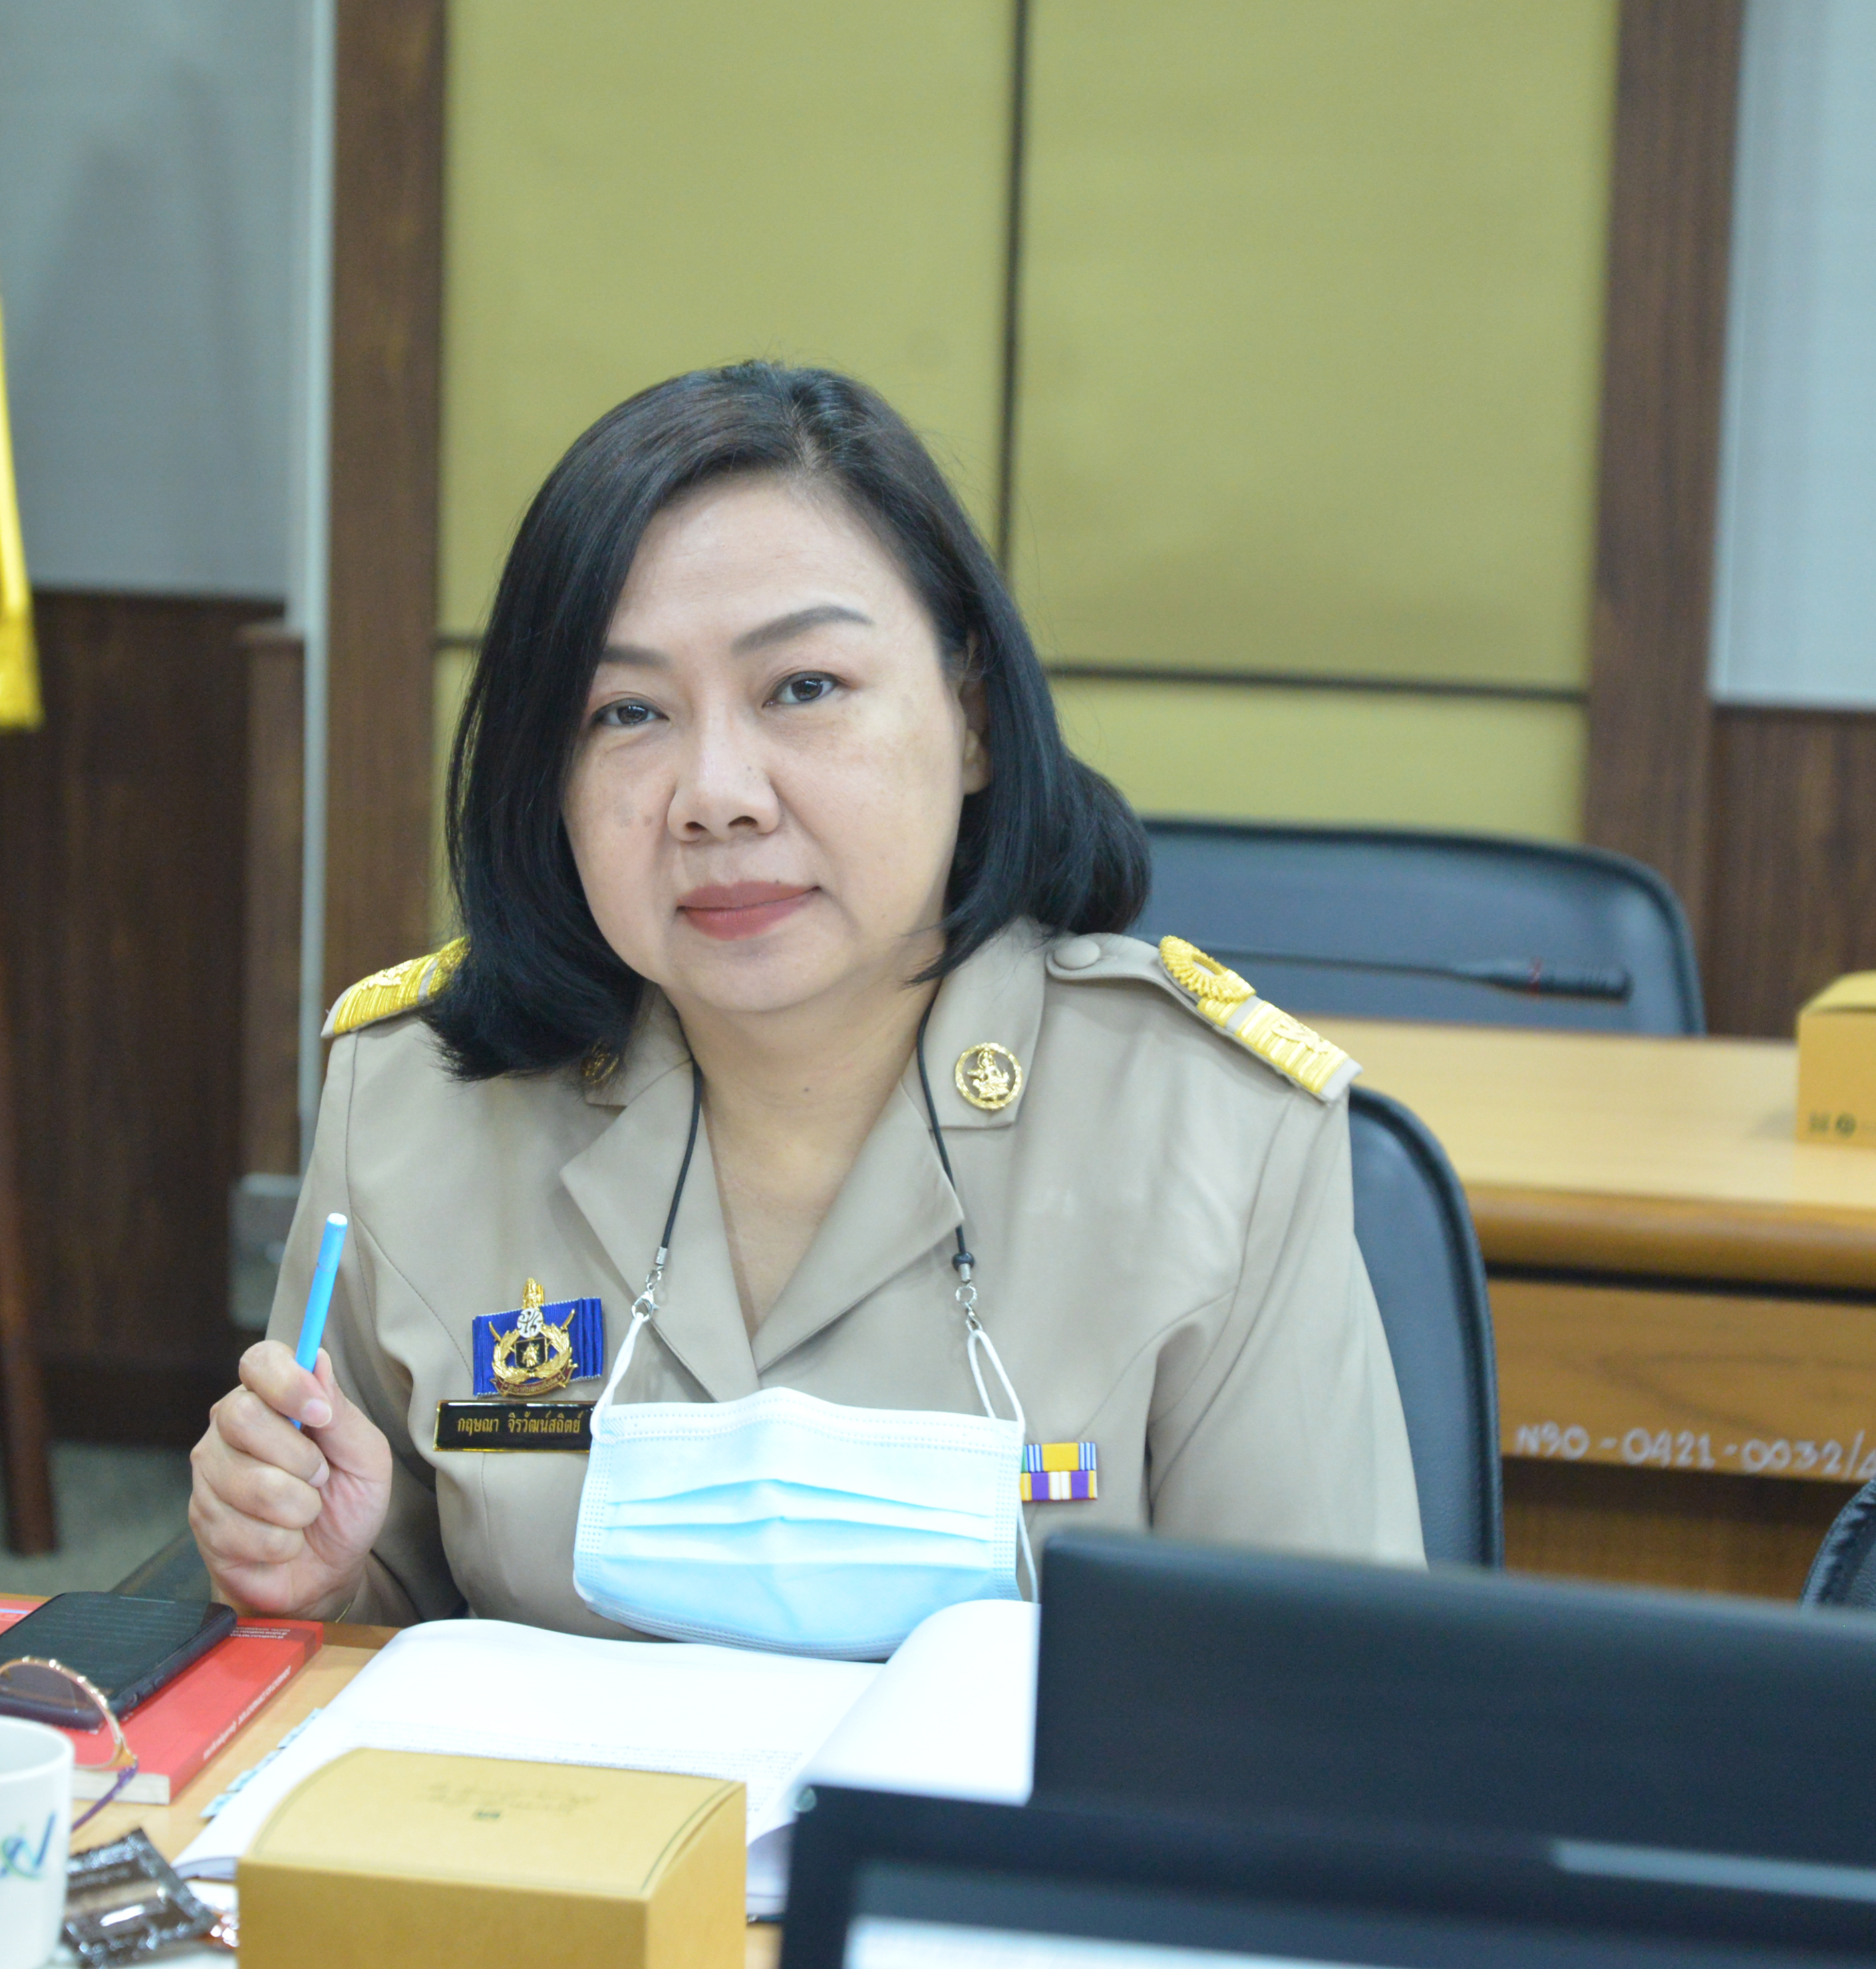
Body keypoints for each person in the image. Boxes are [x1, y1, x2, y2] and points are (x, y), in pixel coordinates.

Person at [189, 362, 1422, 1654]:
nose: (717, 794)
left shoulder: (1213, 1134)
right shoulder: (417, 1105)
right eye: (627, 711)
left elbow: (1323, 1696)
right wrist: (319, 1580)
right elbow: (376, 1631)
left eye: (803, 688)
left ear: (973, 716)